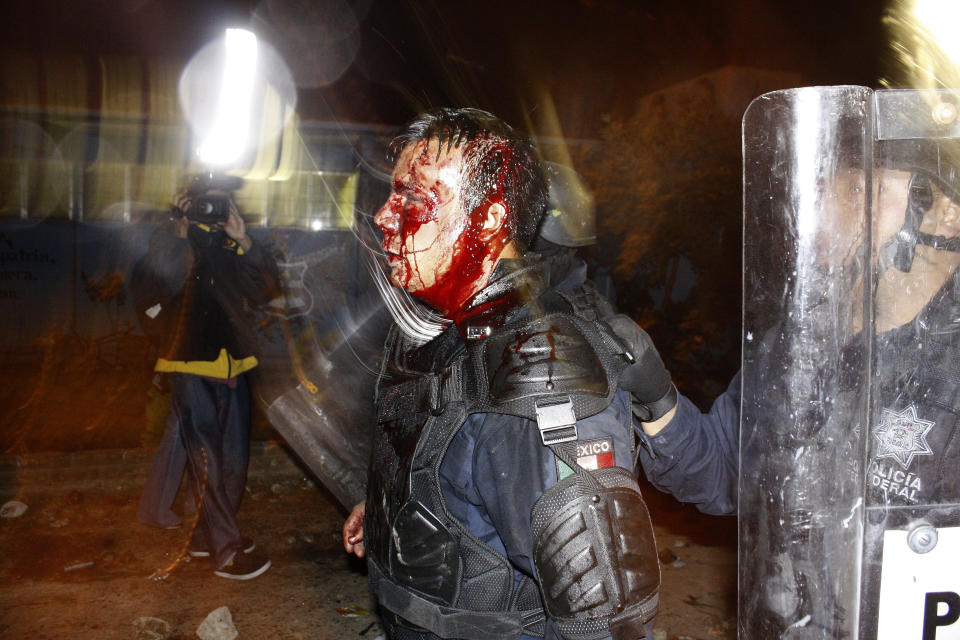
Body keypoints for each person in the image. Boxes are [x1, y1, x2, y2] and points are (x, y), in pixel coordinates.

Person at [342, 108, 688, 640]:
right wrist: (398, 513)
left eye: (414, 200)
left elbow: (601, 620)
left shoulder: (542, 374)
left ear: (488, 222)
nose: (385, 217)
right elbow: (458, 468)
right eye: (392, 195)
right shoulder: (442, 327)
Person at [132, 176, 278, 580]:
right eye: (208, 203)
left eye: (224, 201)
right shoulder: (174, 241)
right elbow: (154, 287)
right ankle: (226, 552)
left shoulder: (232, 244)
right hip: (189, 365)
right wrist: (179, 237)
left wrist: (245, 241)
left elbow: (264, 289)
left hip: (235, 364)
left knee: (233, 461)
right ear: (188, 203)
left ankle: (205, 537)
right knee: (207, 459)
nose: (216, 209)